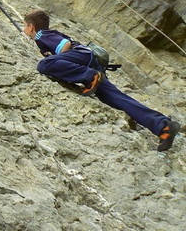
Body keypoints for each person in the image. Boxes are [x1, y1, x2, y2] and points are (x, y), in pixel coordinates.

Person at [23, 9, 180, 152]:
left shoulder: (41, 35)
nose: (24, 29)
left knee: (44, 65)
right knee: (114, 97)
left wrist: (57, 59)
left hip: (82, 58)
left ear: (31, 27)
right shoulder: (45, 35)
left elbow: (65, 44)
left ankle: (89, 76)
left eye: (24, 26)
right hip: (89, 60)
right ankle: (163, 126)